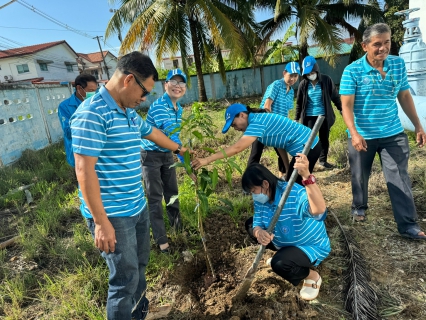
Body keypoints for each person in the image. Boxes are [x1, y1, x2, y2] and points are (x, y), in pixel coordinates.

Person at [70, 52, 192, 320]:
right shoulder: (92, 114)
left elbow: (152, 133)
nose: (145, 98)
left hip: (136, 206)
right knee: (124, 280)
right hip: (113, 215)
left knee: (139, 265)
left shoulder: (127, 111)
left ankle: (140, 311)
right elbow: (84, 171)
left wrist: (181, 149)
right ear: (128, 80)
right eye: (145, 91)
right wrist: (101, 223)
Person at [339, 23, 426, 239]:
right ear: (364, 46)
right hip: (362, 134)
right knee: (360, 175)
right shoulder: (353, 71)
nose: (383, 48)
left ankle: (408, 225)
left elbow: (404, 96)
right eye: (377, 44)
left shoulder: (397, 64)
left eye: (387, 42)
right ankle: (359, 206)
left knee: (399, 176)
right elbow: (346, 106)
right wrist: (354, 132)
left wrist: (417, 124)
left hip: (392, 133)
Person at [242, 160, 330, 301]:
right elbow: (257, 220)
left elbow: (318, 210)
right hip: (284, 239)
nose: (253, 196)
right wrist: (259, 232)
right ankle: (286, 254)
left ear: (265, 184)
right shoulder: (261, 199)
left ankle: (312, 276)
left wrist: (307, 177)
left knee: (280, 264)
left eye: (253, 191)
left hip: (308, 244)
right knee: (250, 224)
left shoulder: (293, 194)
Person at [191, 103, 322, 185]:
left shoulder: (256, 122)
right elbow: (279, 145)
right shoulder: (257, 121)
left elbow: (237, 148)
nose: (235, 129)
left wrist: (207, 160)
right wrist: (287, 169)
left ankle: (306, 215)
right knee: (292, 183)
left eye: (234, 124)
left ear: (242, 115)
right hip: (307, 146)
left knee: (295, 188)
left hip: (308, 146)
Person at [140, 69, 187, 253]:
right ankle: (162, 241)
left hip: (167, 153)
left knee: (172, 193)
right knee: (154, 198)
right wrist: (186, 159)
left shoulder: (179, 109)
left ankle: (177, 228)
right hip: (150, 155)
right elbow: (170, 134)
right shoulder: (159, 106)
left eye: (181, 83)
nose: (177, 86)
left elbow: (174, 140)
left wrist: (182, 157)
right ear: (165, 85)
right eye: (173, 82)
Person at [247, 62, 301, 178]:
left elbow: (286, 111)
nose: (293, 79)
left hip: (277, 126)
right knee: (256, 153)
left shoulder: (291, 91)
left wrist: (286, 125)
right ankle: (248, 180)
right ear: (284, 73)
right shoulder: (276, 85)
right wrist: (273, 124)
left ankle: (284, 176)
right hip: (262, 123)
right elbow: (267, 106)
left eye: (295, 76)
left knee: (282, 150)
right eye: (291, 75)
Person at [295, 56, 342, 169]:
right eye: (308, 73)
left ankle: (323, 161)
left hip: (324, 116)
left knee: (324, 139)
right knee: (309, 141)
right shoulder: (303, 84)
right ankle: (308, 163)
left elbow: (335, 97)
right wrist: (296, 118)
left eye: (312, 71)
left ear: (316, 69)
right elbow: (299, 103)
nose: (311, 74)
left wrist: (341, 109)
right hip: (309, 117)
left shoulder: (326, 80)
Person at [58, 74, 97, 167]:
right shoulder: (65, 106)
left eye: (95, 91)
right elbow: (68, 131)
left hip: (98, 152)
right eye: (91, 91)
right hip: (78, 152)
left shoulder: (96, 103)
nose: (94, 94)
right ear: (79, 88)